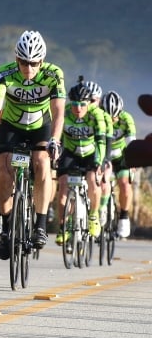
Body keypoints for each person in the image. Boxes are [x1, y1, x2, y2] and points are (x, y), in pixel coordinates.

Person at [0, 30, 65, 259]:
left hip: (41, 126)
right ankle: (6, 226)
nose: (28, 68)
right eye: (24, 62)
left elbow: (58, 110)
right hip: (12, 126)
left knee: (42, 162)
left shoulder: (54, 74)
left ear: (42, 61)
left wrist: (55, 140)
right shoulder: (4, 74)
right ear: (16, 59)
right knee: (3, 167)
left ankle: (40, 224)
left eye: (34, 63)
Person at [53, 82, 106, 244]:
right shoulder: (65, 112)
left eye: (82, 104)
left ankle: (93, 216)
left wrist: (99, 162)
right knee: (63, 187)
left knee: (92, 180)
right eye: (75, 104)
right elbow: (56, 137)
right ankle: (64, 227)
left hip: (90, 153)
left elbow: (101, 141)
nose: (78, 108)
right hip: (70, 153)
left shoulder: (96, 115)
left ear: (89, 103)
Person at [100, 90, 136, 238]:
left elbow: (131, 143)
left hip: (121, 157)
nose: (111, 120)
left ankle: (124, 217)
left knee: (124, 184)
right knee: (100, 183)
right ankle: (99, 210)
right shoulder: (97, 117)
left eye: (114, 117)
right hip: (104, 155)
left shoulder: (126, 119)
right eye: (108, 116)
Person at [82, 79, 114, 225]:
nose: (89, 103)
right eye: (86, 99)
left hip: (99, 153)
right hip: (80, 152)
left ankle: (100, 210)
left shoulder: (104, 117)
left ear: (99, 101)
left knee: (103, 179)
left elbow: (107, 143)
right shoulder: (76, 112)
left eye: (93, 100)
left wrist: (103, 162)